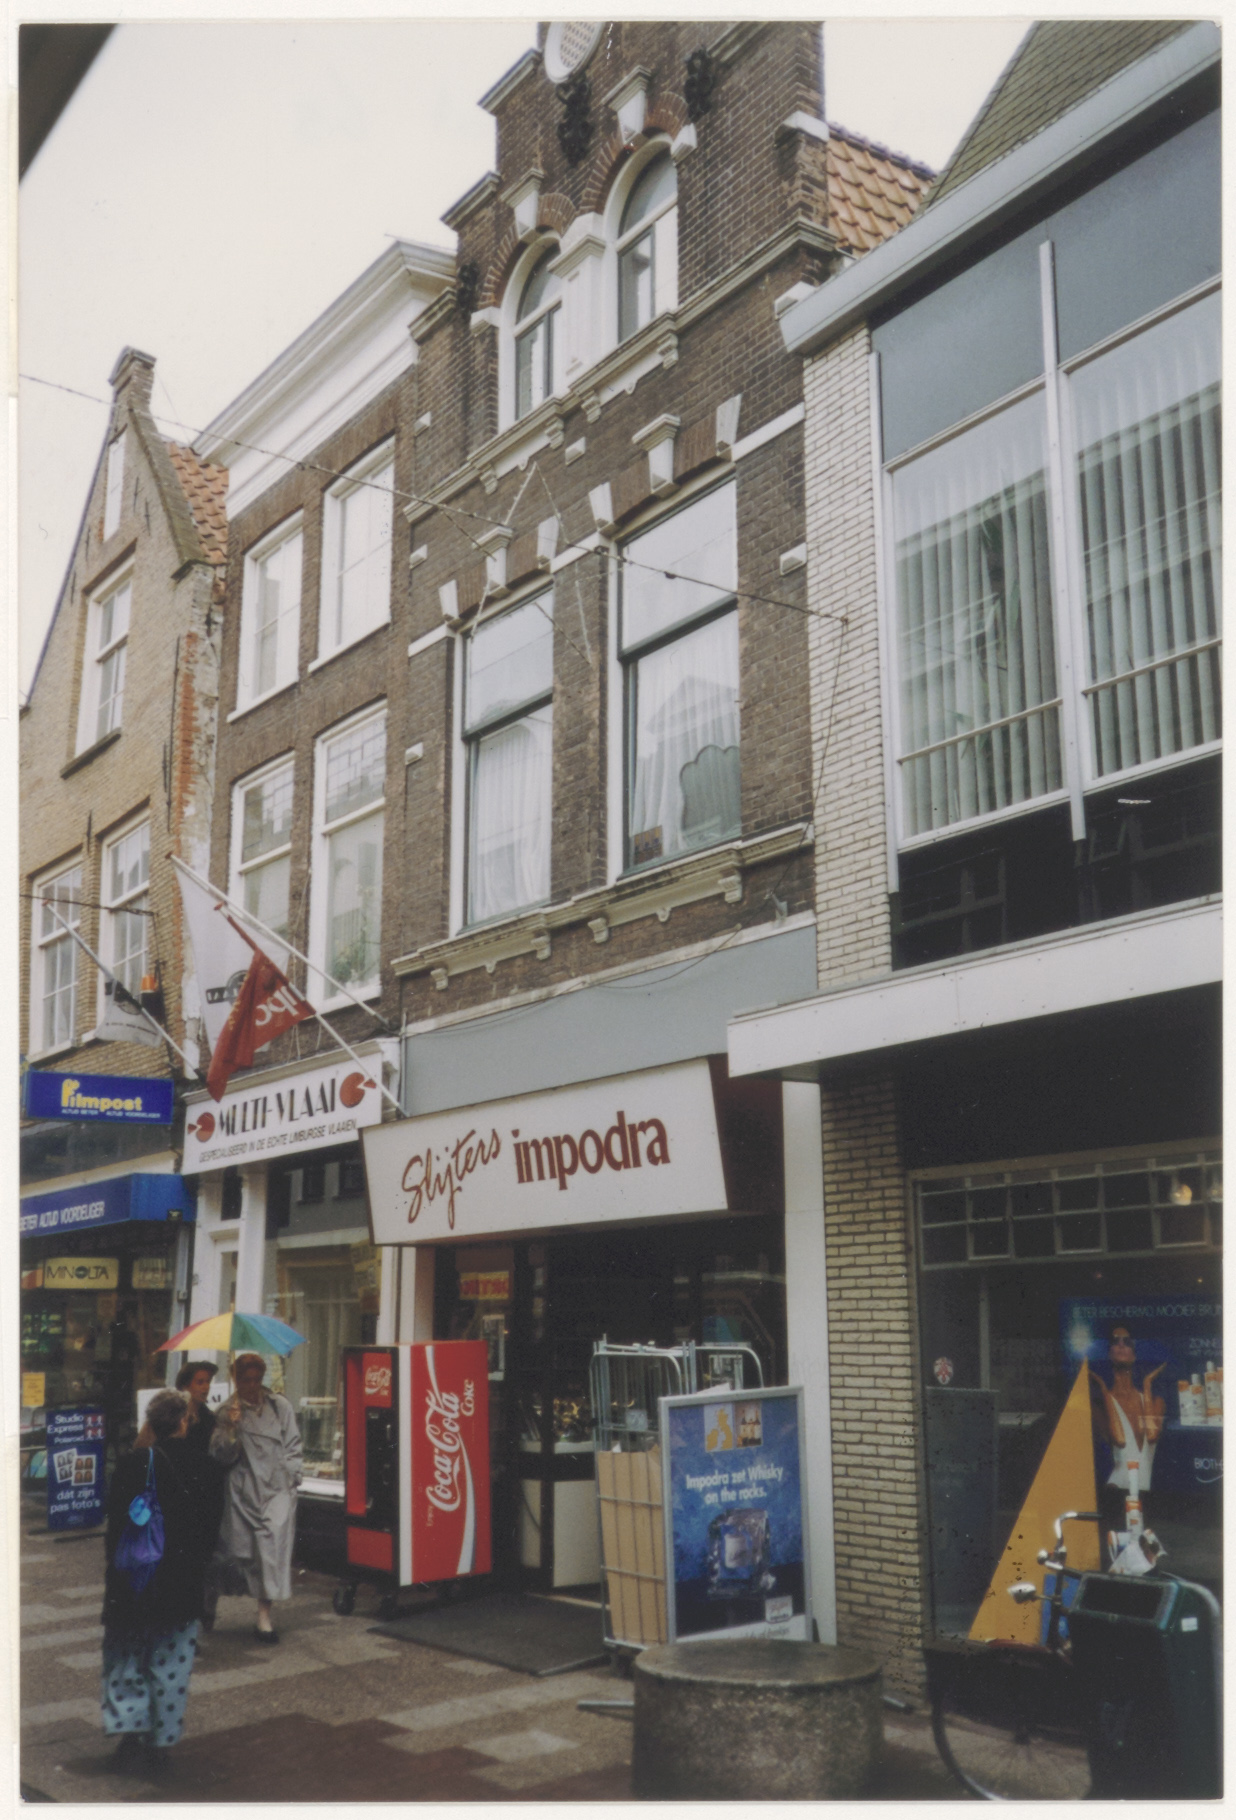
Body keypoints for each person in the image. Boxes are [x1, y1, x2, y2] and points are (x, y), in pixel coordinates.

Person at [100, 1389, 224, 1776]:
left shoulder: (132, 1463)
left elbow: (115, 1525)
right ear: (184, 1421)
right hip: (181, 1585)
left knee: (126, 1658)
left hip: (133, 1583)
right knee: (171, 1663)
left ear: (151, 1423)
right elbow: (211, 1532)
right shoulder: (208, 1468)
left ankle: (129, 1735)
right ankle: (161, 1743)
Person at [210, 1352, 302, 1642]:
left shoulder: (279, 1406)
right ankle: (208, 1603)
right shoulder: (225, 1411)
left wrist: (292, 1476)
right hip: (244, 1491)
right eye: (245, 1380)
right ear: (235, 1379)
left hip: (277, 1489)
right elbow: (220, 1457)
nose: (252, 1385)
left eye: (256, 1379)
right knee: (239, 1554)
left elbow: (293, 1443)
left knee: (272, 1552)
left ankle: (264, 1617)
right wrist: (231, 1429)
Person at [1090, 1324, 1166, 1546]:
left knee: (1147, 1554)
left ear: (1134, 1353)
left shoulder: (1155, 1402)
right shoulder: (1101, 1405)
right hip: (1116, 1493)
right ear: (1109, 1352)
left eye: (1127, 1341)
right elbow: (1119, 1440)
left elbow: (1152, 1435)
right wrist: (1104, 1390)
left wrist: (1147, 1385)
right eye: (1116, 1341)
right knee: (1119, 1553)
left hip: (1146, 1496)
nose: (1121, 1345)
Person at [175, 1360, 218, 1452]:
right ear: (185, 1386)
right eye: (200, 1382)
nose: (206, 1387)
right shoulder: (173, 1416)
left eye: (208, 1382)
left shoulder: (209, 1418)